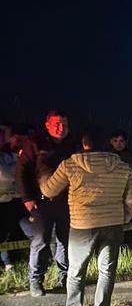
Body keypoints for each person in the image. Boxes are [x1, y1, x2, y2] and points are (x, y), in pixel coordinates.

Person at [39, 128, 132, 306]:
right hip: (113, 224)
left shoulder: (70, 165)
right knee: (107, 270)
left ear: (84, 144)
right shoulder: (122, 167)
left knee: (76, 269)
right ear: (107, 144)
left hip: (82, 225)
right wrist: (123, 218)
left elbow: (49, 189)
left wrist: (41, 175)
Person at [17, 111, 76, 296]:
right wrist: (27, 199)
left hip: (67, 202)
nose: (61, 128)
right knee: (41, 240)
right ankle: (36, 280)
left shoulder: (73, 144)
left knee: (65, 241)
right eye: (57, 124)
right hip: (40, 203)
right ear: (48, 125)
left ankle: (64, 278)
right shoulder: (35, 143)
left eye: (64, 124)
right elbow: (22, 172)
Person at [0, 125, 21, 272]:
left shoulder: (11, 153)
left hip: (16, 198)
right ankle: (7, 263)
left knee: (29, 229)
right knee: (2, 234)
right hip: (2, 200)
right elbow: (6, 175)